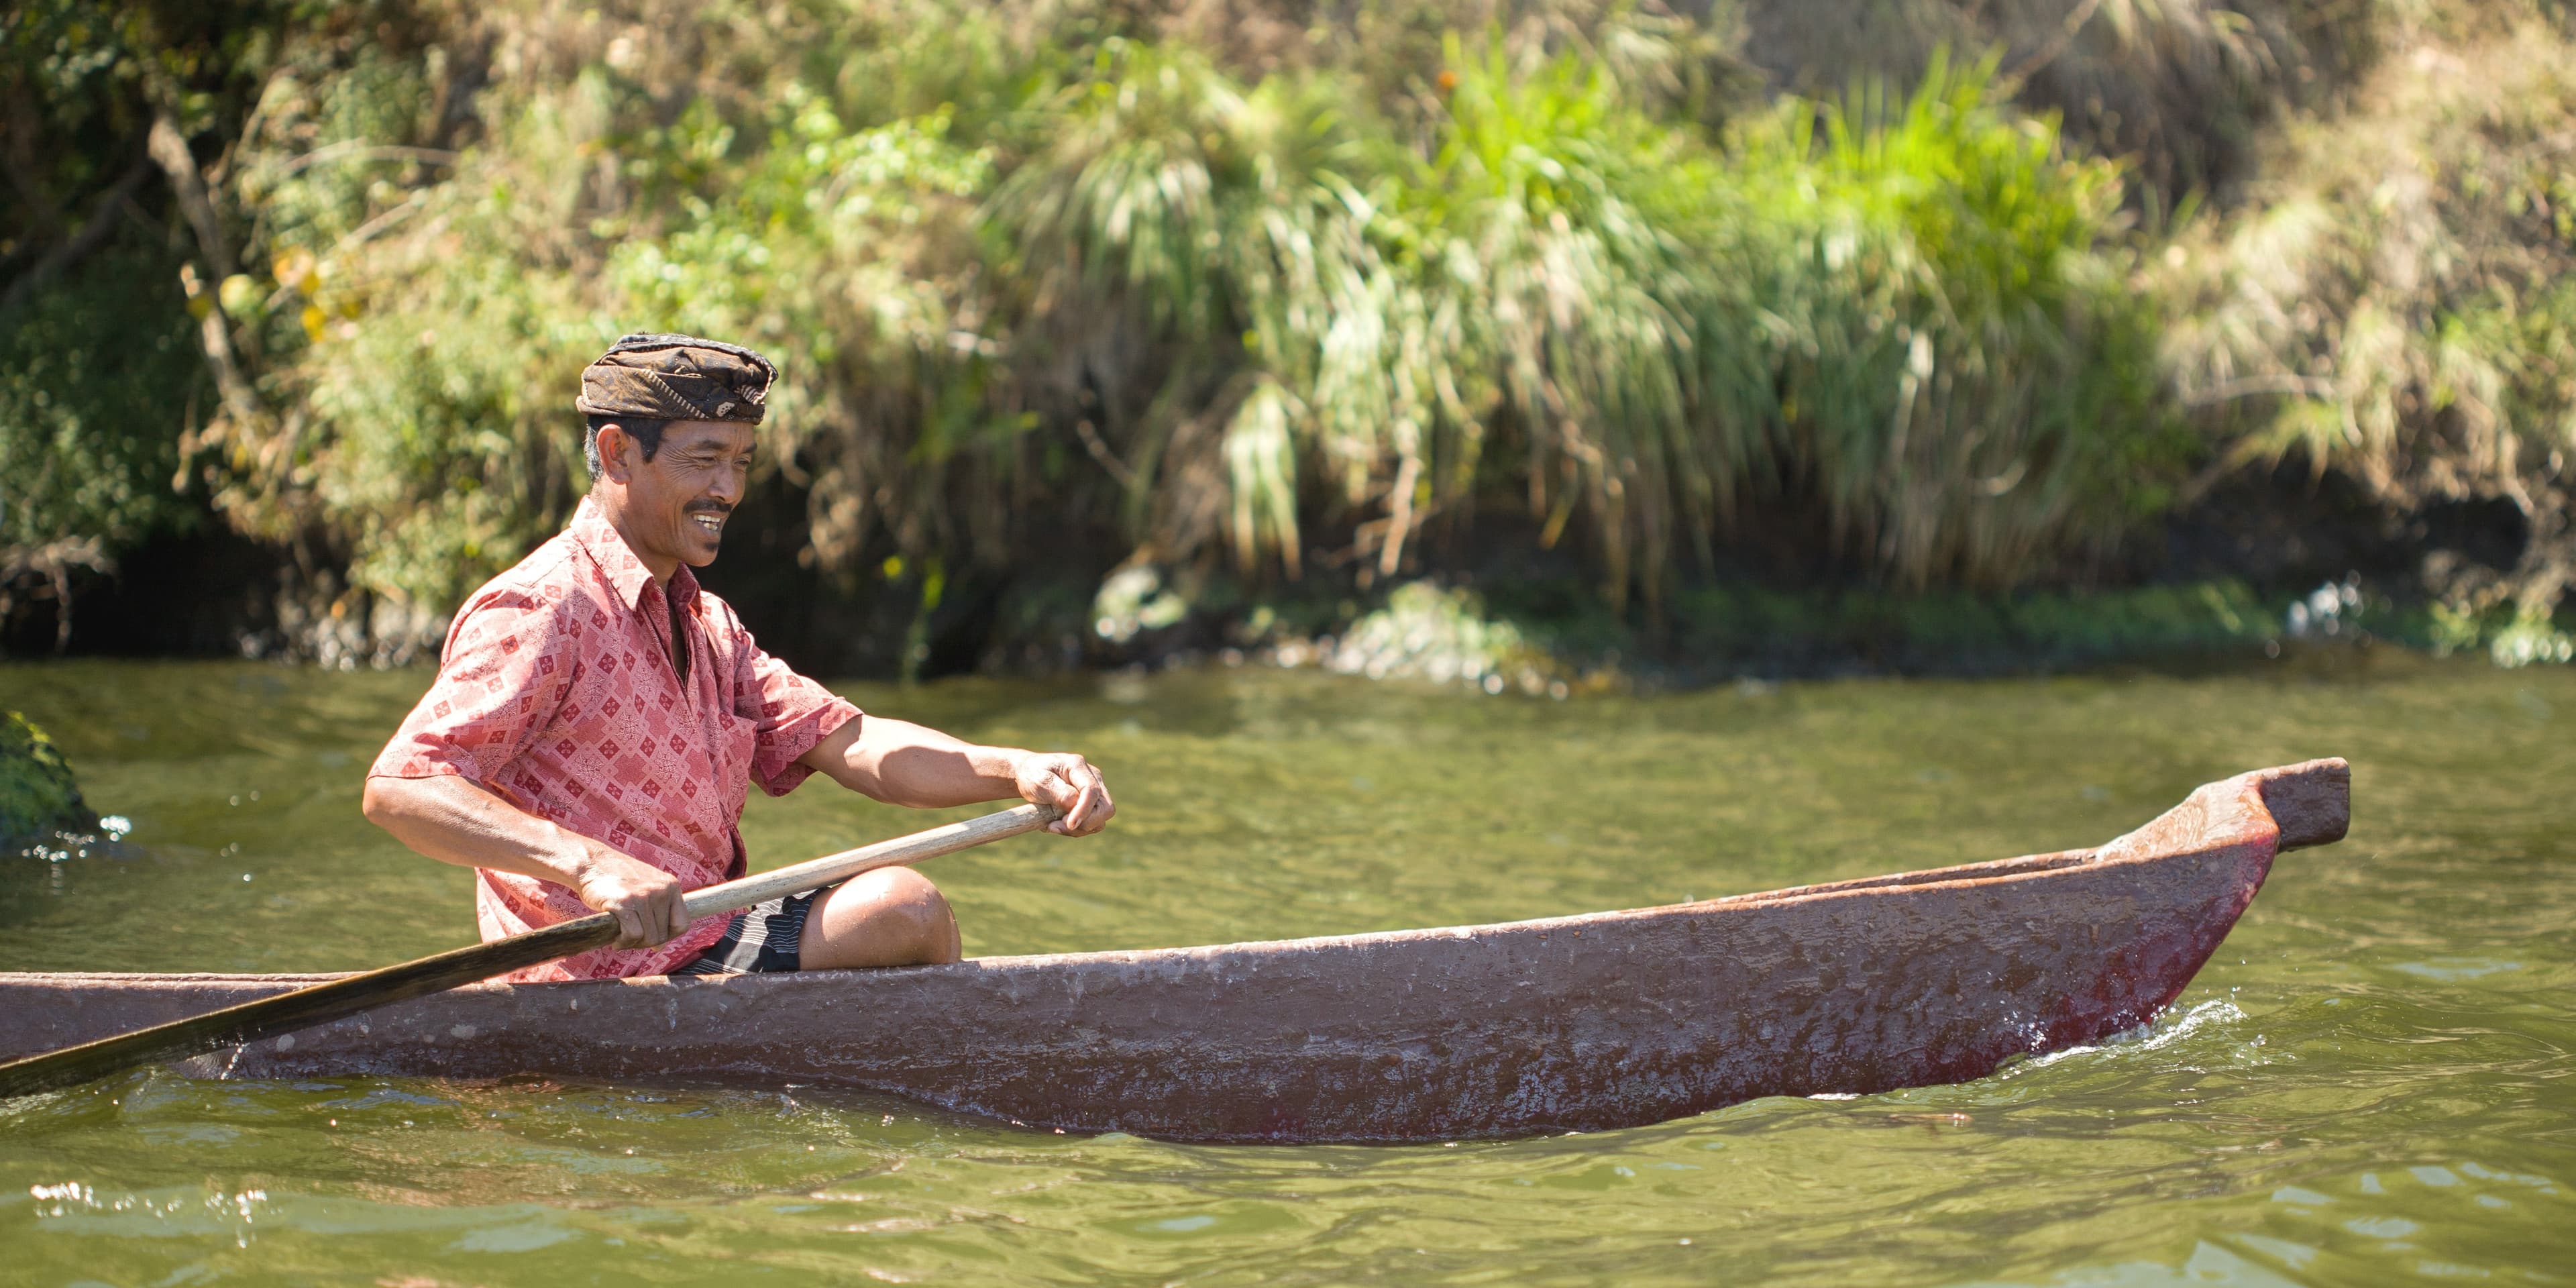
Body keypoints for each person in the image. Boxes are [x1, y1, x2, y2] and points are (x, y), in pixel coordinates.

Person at [361, 333, 1112, 981]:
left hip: (707, 935)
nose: (727, 490)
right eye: (705, 460)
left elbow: (853, 743)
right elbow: (403, 787)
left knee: (902, 912)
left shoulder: (708, 623)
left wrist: (1017, 769)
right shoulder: (544, 607)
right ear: (618, 454)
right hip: (603, 975)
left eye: (742, 463)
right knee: (902, 909)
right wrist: (589, 865)